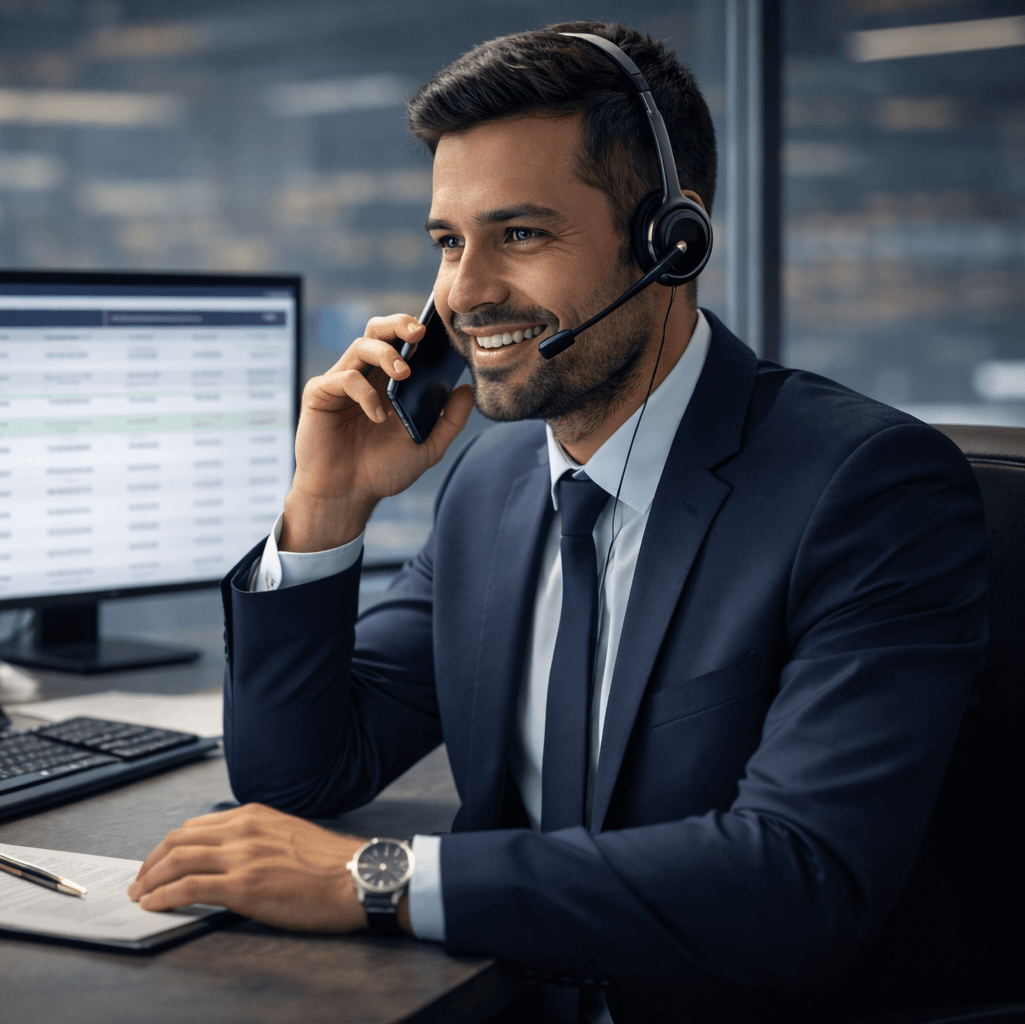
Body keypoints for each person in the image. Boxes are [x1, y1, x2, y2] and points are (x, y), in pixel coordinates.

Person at [126, 21, 988, 1021]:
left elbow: (799, 880)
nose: (464, 294)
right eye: (450, 242)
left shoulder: (865, 489)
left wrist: (379, 876)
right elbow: (302, 771)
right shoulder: (490, 490)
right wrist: (328, 505)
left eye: (520, 234)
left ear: (671, 239)